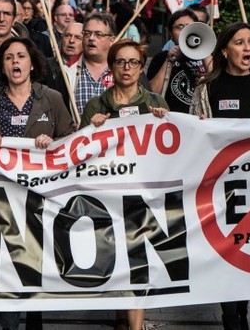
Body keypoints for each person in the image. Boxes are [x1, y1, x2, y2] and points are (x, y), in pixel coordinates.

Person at [189, 21, 250, 330]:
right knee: (224, 251)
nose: (247, 49)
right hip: (220, 186)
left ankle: (241, 308)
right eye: (240, 43)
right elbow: (193, 134)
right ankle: (231, 314)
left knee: (247, 249)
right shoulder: (206, 87)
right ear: (224, 50)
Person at [0, 37, 73, 330]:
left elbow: (70, 138)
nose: (15, 61)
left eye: (20, 56)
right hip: (1, 198)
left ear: (32, 64)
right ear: (2, 67)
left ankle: (35, 319)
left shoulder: (52, 98)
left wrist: (53, 142)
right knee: (8, 264)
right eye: (8, 58)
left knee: (35, 261)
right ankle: (9, 323)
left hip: (40, 196)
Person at [80, 39, 168, 330]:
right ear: (112, 66)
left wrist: (164, 122)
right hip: (108, 197)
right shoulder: (96, 105)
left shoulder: (155, 103)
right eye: (120, 62)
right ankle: (123, 317)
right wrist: (90, 128)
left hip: (144, 198)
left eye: (133, 62)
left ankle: (135, 326)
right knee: (117, 262)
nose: (127, 68)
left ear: (142, 68)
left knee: (139, 262)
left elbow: (171, 149)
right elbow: (79, 153)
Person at [147, 9, 210, 113]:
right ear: (171, 34)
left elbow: (219, 85)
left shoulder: (207, 56)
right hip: (174, 123)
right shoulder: (161, 58)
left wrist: (204, 51)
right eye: (180, 27)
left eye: (189, 27)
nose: (185, 31)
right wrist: (169, 61)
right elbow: (152, 94)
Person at [65, 13, 117, 116]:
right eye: (87, 33)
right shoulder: (65, 72)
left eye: (98, 34)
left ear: (111, 40)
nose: (91, 38)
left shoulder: (123, 69)